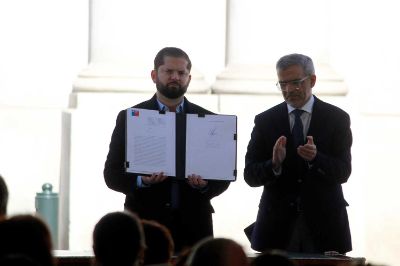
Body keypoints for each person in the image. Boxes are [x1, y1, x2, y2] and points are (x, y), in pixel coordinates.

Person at [104, 47, 230, 253]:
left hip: (195, 229)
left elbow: (222, 180)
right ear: (154, 75)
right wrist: (141, 181)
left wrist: (204, 186)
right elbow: (111, 175)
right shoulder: (129, 118)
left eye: (181, 73)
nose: (175, 77)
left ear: (188, 79)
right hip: (145, 228)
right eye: (168, 71)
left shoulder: (210, 121)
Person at [244, 53, 352, 254]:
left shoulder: (337, 119)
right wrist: (274, 164)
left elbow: (343, 172)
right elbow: (250, 175)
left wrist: (316, 158)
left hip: (325, 225)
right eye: (282, 84)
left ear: (312, 80)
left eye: (295, 83)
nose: (288, 90)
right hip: (276, 227)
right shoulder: (265, 120)